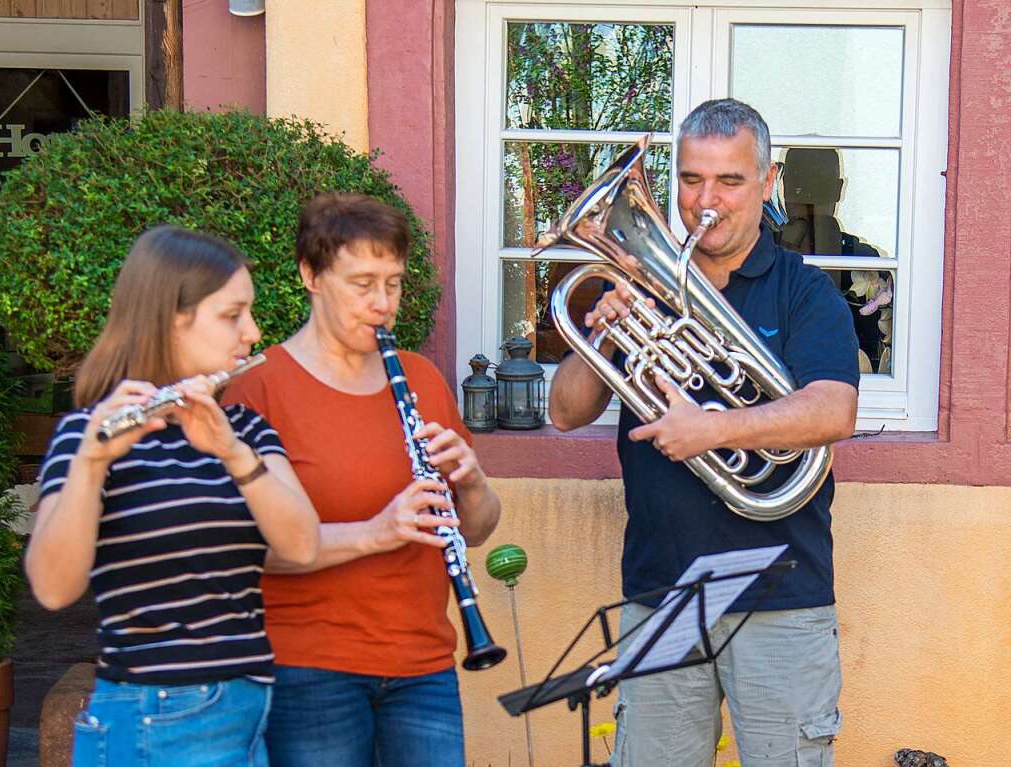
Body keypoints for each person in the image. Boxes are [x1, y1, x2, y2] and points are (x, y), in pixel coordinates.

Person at [548, 99, 860, 766]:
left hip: (780, 593)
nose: (705, 201)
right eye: (691, 180)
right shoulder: (646, 293)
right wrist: (602, 330)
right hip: (662, 589)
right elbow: (565, 410)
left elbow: (833, 410)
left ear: (767, 181)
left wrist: (712, 429)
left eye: (729, 181)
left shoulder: (805, 294)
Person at [222, 192, 502, 767]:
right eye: (362, 283)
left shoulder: (421, 378)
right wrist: (379, 529)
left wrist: (470, 481)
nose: (382, 304)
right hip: (310, 668)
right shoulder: (261, 388)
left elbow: (475, 531)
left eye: (393, 284)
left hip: (423, 663)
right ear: (311, 275)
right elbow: (244, 549)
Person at [26, 226, 321, 767]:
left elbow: (303, 546)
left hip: (246, 707)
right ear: (170, 319)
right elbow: (52, 588)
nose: (252, 332)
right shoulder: (88, 435)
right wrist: (92, 463)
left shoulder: (246, 433)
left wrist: (231, 452)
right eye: (232, 315)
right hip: (155, 715)